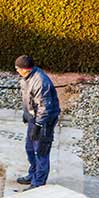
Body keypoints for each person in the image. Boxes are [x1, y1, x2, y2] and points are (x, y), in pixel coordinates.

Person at [15, 55, 61, 189]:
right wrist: (27, 114)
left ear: (25, 69)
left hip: (44, 121)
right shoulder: (26, 77)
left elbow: (45, 107)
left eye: (18, 68)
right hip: (34, 118)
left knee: (41, 151)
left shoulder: (40, 82)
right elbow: (29, 98)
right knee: (30, 148)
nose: (16, 70)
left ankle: (38, 183)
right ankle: (32, 174)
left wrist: (38, 125)